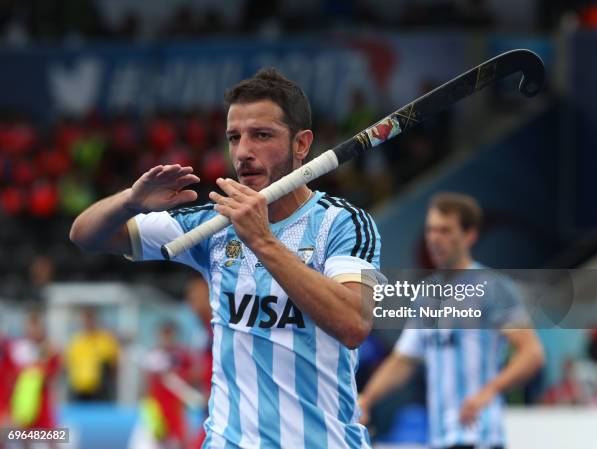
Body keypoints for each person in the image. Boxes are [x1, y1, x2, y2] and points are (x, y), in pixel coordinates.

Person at [69, 68, 382, 448]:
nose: (243, 152)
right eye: (234, 137)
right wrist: (129, 201)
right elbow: (85, 235)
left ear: (302, 144)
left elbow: (353, 324)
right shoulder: (212, 224)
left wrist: (263, 241)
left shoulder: (344, 222)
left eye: (262, 135)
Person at [358, 192, 544, 449]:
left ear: (469, 236)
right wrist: (366, 399)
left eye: (445, 231)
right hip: (440, 437)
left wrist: (488, 392)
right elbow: (403, 360)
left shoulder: (492, 287)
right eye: (431, 230)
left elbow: (531, 353)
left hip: (481, 435)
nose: (435, 238)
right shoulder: (426, 294)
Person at [7, 312, 61, 449]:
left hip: (42, 398)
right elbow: (11, 372)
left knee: (50, 435)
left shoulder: (49, 348)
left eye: (36, 328)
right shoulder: (19, 348)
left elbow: (54, 371)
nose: (33, 331)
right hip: (25, 398)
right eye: (30, 328)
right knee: (25, 435)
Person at [141, 321, 196, 449]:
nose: (166, 338)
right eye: (163, 334)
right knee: (155, 441)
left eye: (169, 334)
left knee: (180, 441)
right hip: (156, 407)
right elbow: (146, 383)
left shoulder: (183, 355)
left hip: (176, 407)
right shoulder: (152, 355)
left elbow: (193, 376)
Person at [65, 307, 120, 401]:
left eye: (90, 319)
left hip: (100, 390)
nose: (88, 322)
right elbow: (69, 364)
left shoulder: (105, 339)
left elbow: (113, 365)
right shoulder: (76, 340)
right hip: (79, 388)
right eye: (86, 319)